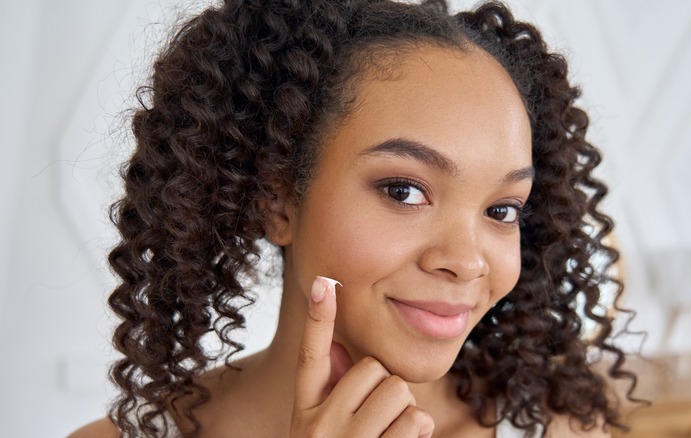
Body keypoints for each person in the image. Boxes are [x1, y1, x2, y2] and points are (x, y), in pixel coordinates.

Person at [71, 0, 638, 436]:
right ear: (278, 202)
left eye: (501, 210)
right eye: (404, 190)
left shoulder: (564, 428)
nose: (466, 261)